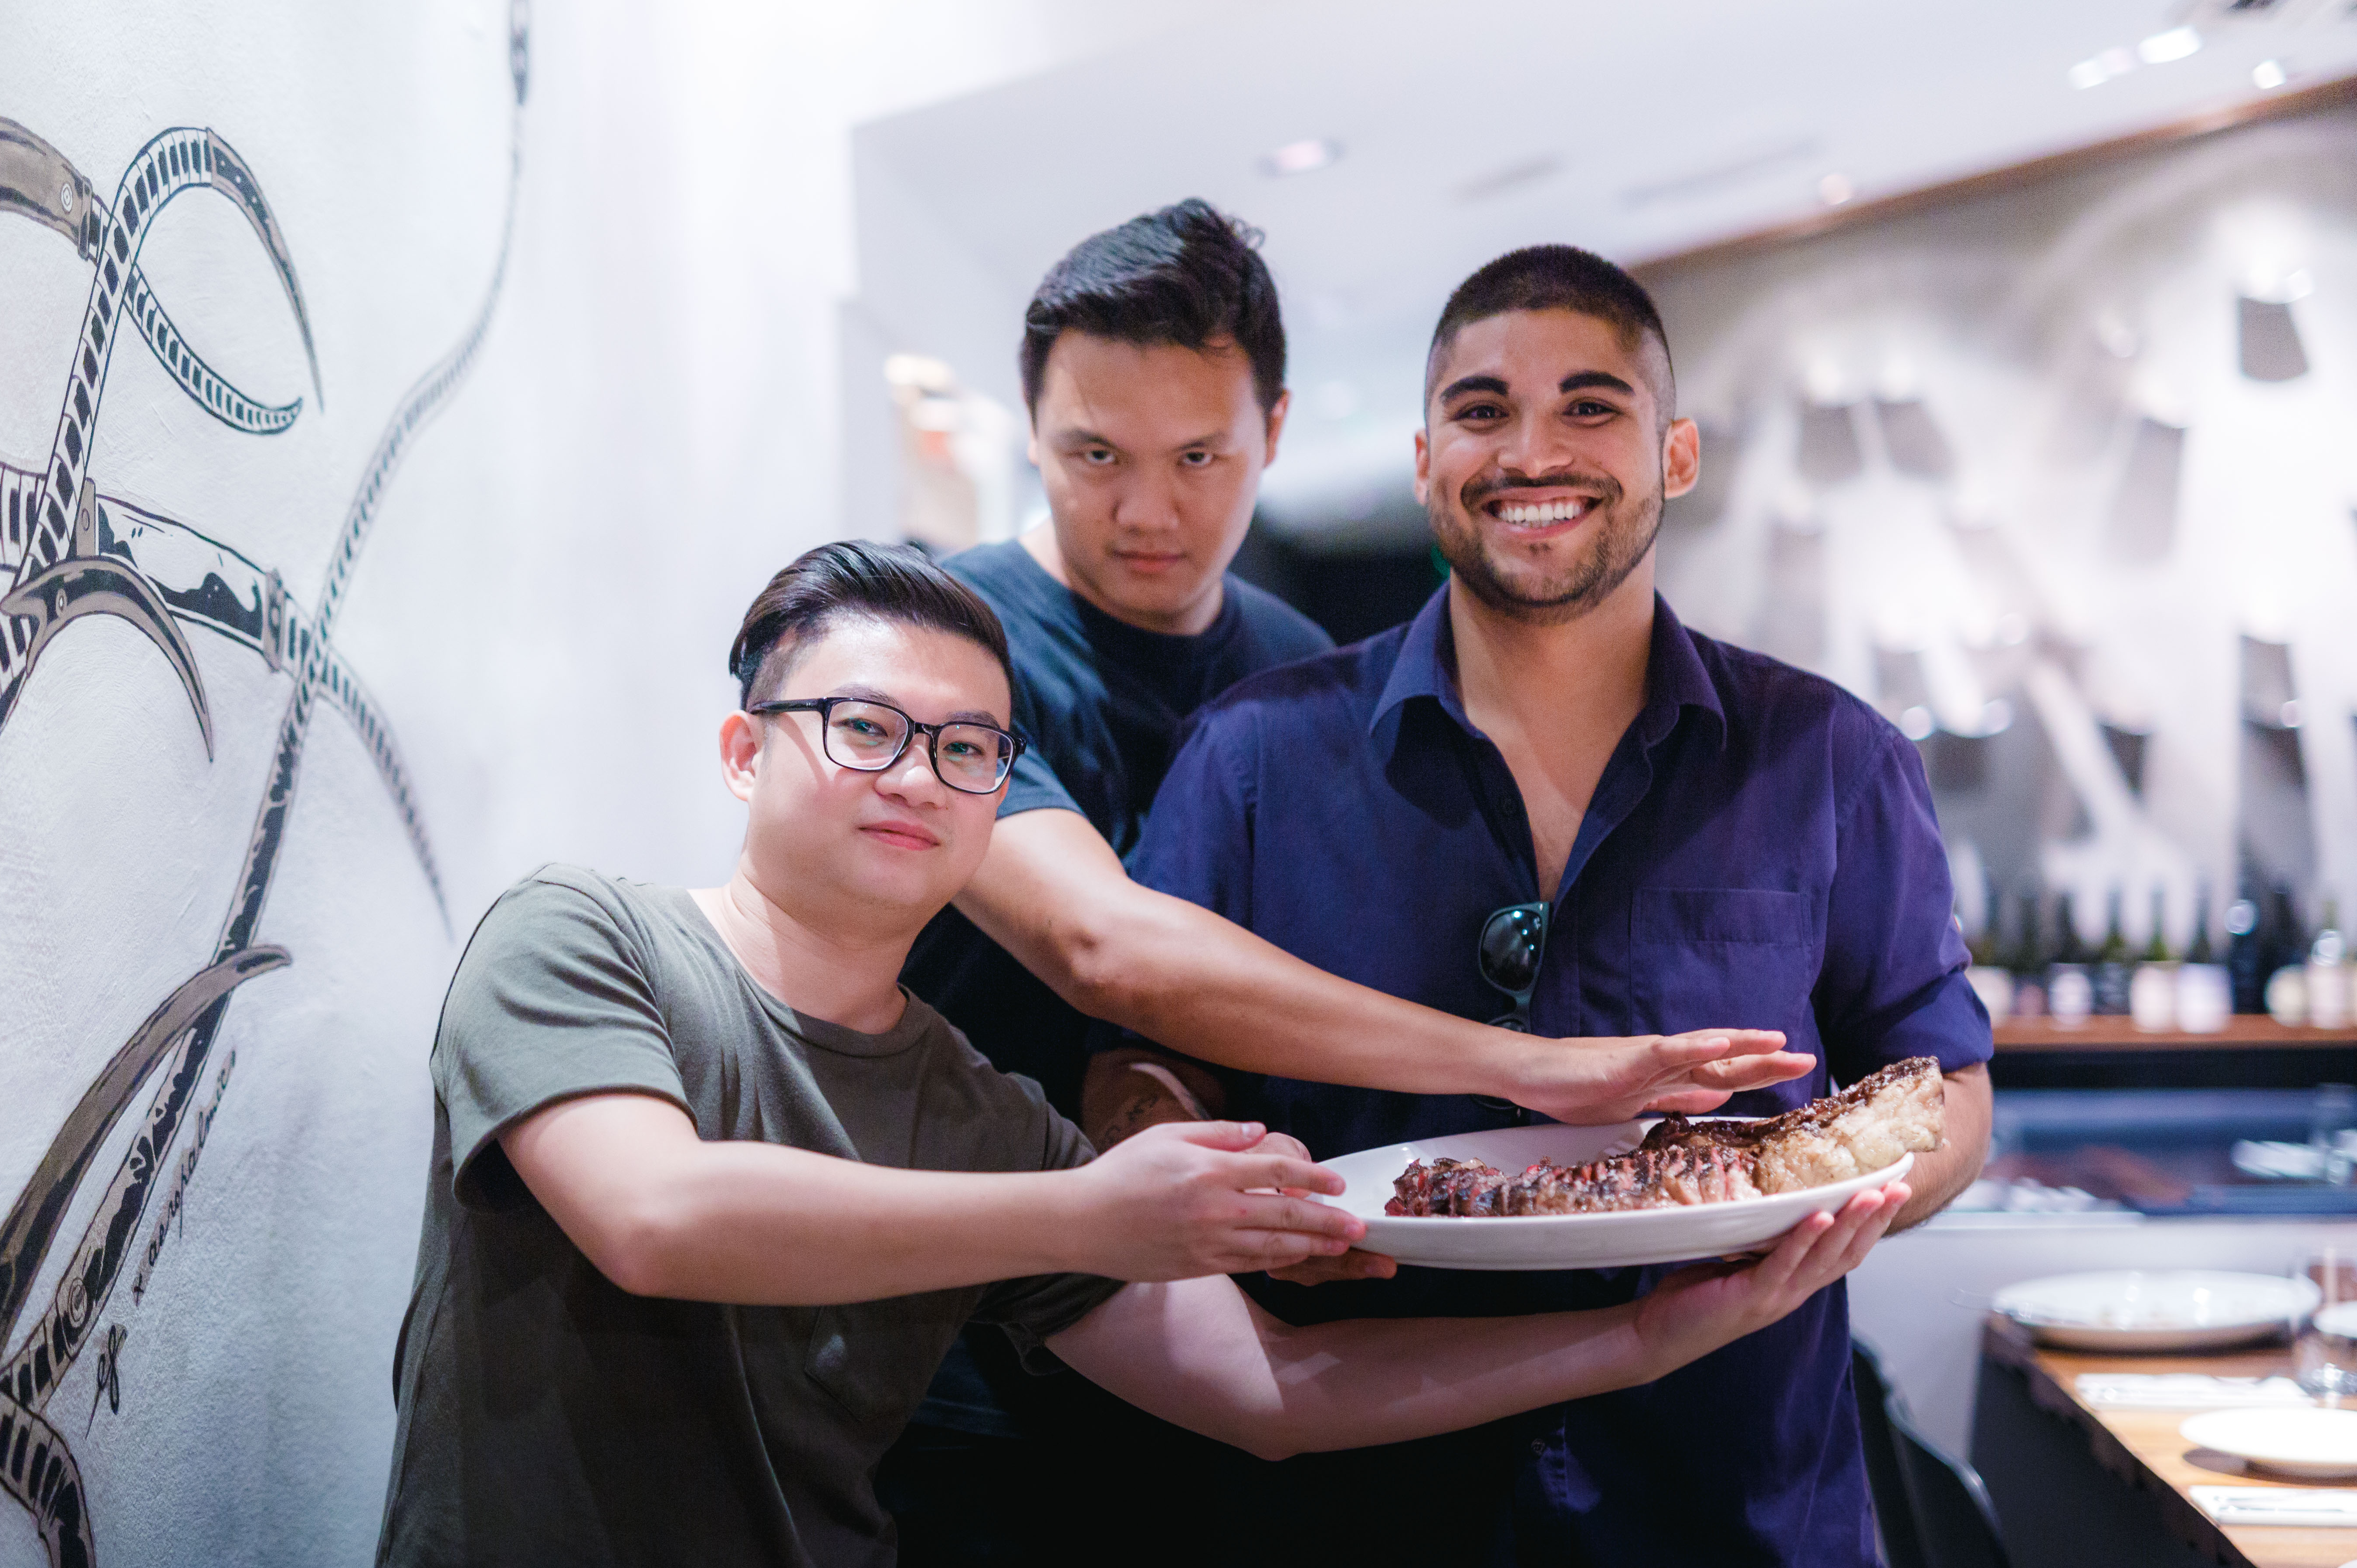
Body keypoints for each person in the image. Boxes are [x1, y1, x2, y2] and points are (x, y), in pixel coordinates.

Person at [373, 541, 1907, 1568]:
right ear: (742, 752)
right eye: (863, 728)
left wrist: (1655, 1336)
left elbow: (1274, 1390)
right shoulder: (583, 937)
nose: (918, 777)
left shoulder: (973, 1109)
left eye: (968, 750)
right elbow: (656, 1218)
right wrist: (1091, 1212)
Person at [887, 200, 1812, 1554]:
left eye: (1200, 456)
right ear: (1029, 431)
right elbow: (1108, 952)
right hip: (965, 1339)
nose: (1148, 510)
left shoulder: (1294, 668)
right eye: (1094, 455)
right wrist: (1534, 1069)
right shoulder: (946, 647)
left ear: (1275, 429)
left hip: (1228, 1350)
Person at [1090, 246, 1995, 1565]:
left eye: (1589, 405)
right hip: (1358, 1505)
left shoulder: (1831, 758)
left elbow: (1945, 1085)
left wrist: (1830, 1208)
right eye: (1481, 411)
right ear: (1424, 462)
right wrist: (1222, 1189)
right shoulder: (1255, 756)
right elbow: (1138, 1067)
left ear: (1675, 454)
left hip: (1733, 1503)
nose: (1531, 453)